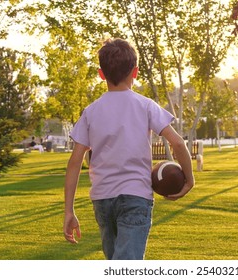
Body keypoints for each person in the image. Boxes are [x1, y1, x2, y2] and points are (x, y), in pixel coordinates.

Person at [63, 38, 195, 260]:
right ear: (135, 72)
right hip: (136, 197)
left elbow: (75, 162)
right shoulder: (145, 106)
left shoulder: (90, 112)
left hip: (103, 200)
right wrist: (189, 179)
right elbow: (178, 143)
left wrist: (69, 210)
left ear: (101, 74)